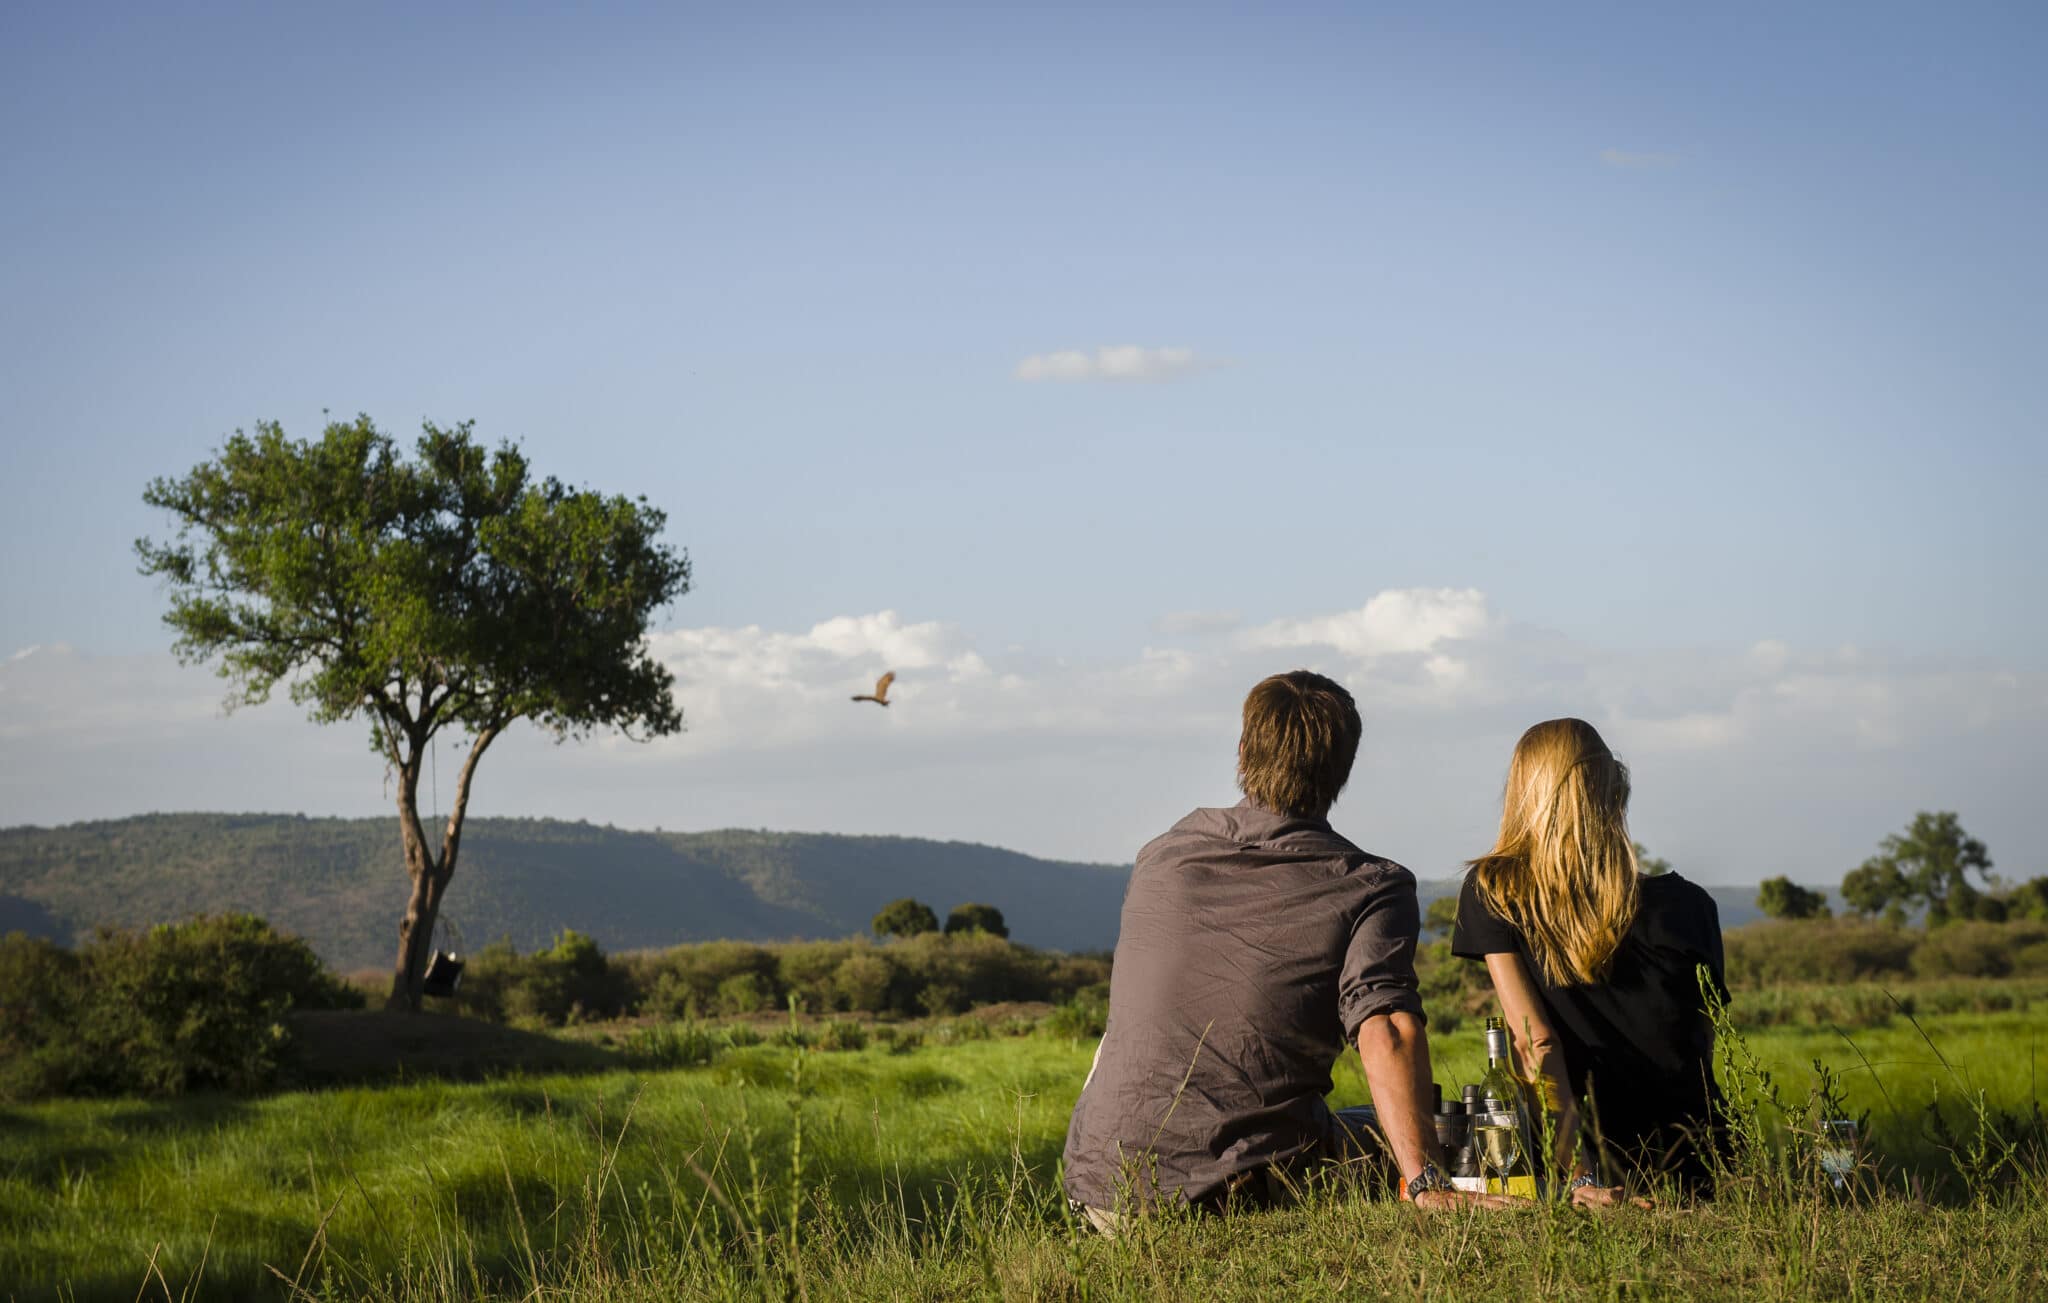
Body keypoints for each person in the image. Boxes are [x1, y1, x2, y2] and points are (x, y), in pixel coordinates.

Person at [1062, 670, 1500, 1228]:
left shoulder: (1162, 857)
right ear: (1344, 769)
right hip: (1227, 1197)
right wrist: (1424, 1182)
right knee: (1427, 1124)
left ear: (1244, 751)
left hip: (1098, 1192)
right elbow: (1385, 1027)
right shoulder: (1371, 885)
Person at [1451, 718, 1728, 1201]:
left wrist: (1581, 1177)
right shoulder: (1692, 907)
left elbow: (1534, 1042)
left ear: (1525, 794)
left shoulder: (1494, 892)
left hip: (1596, 1159)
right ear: (1613, 791)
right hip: (1699, 1158)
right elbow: (1701, 1047)